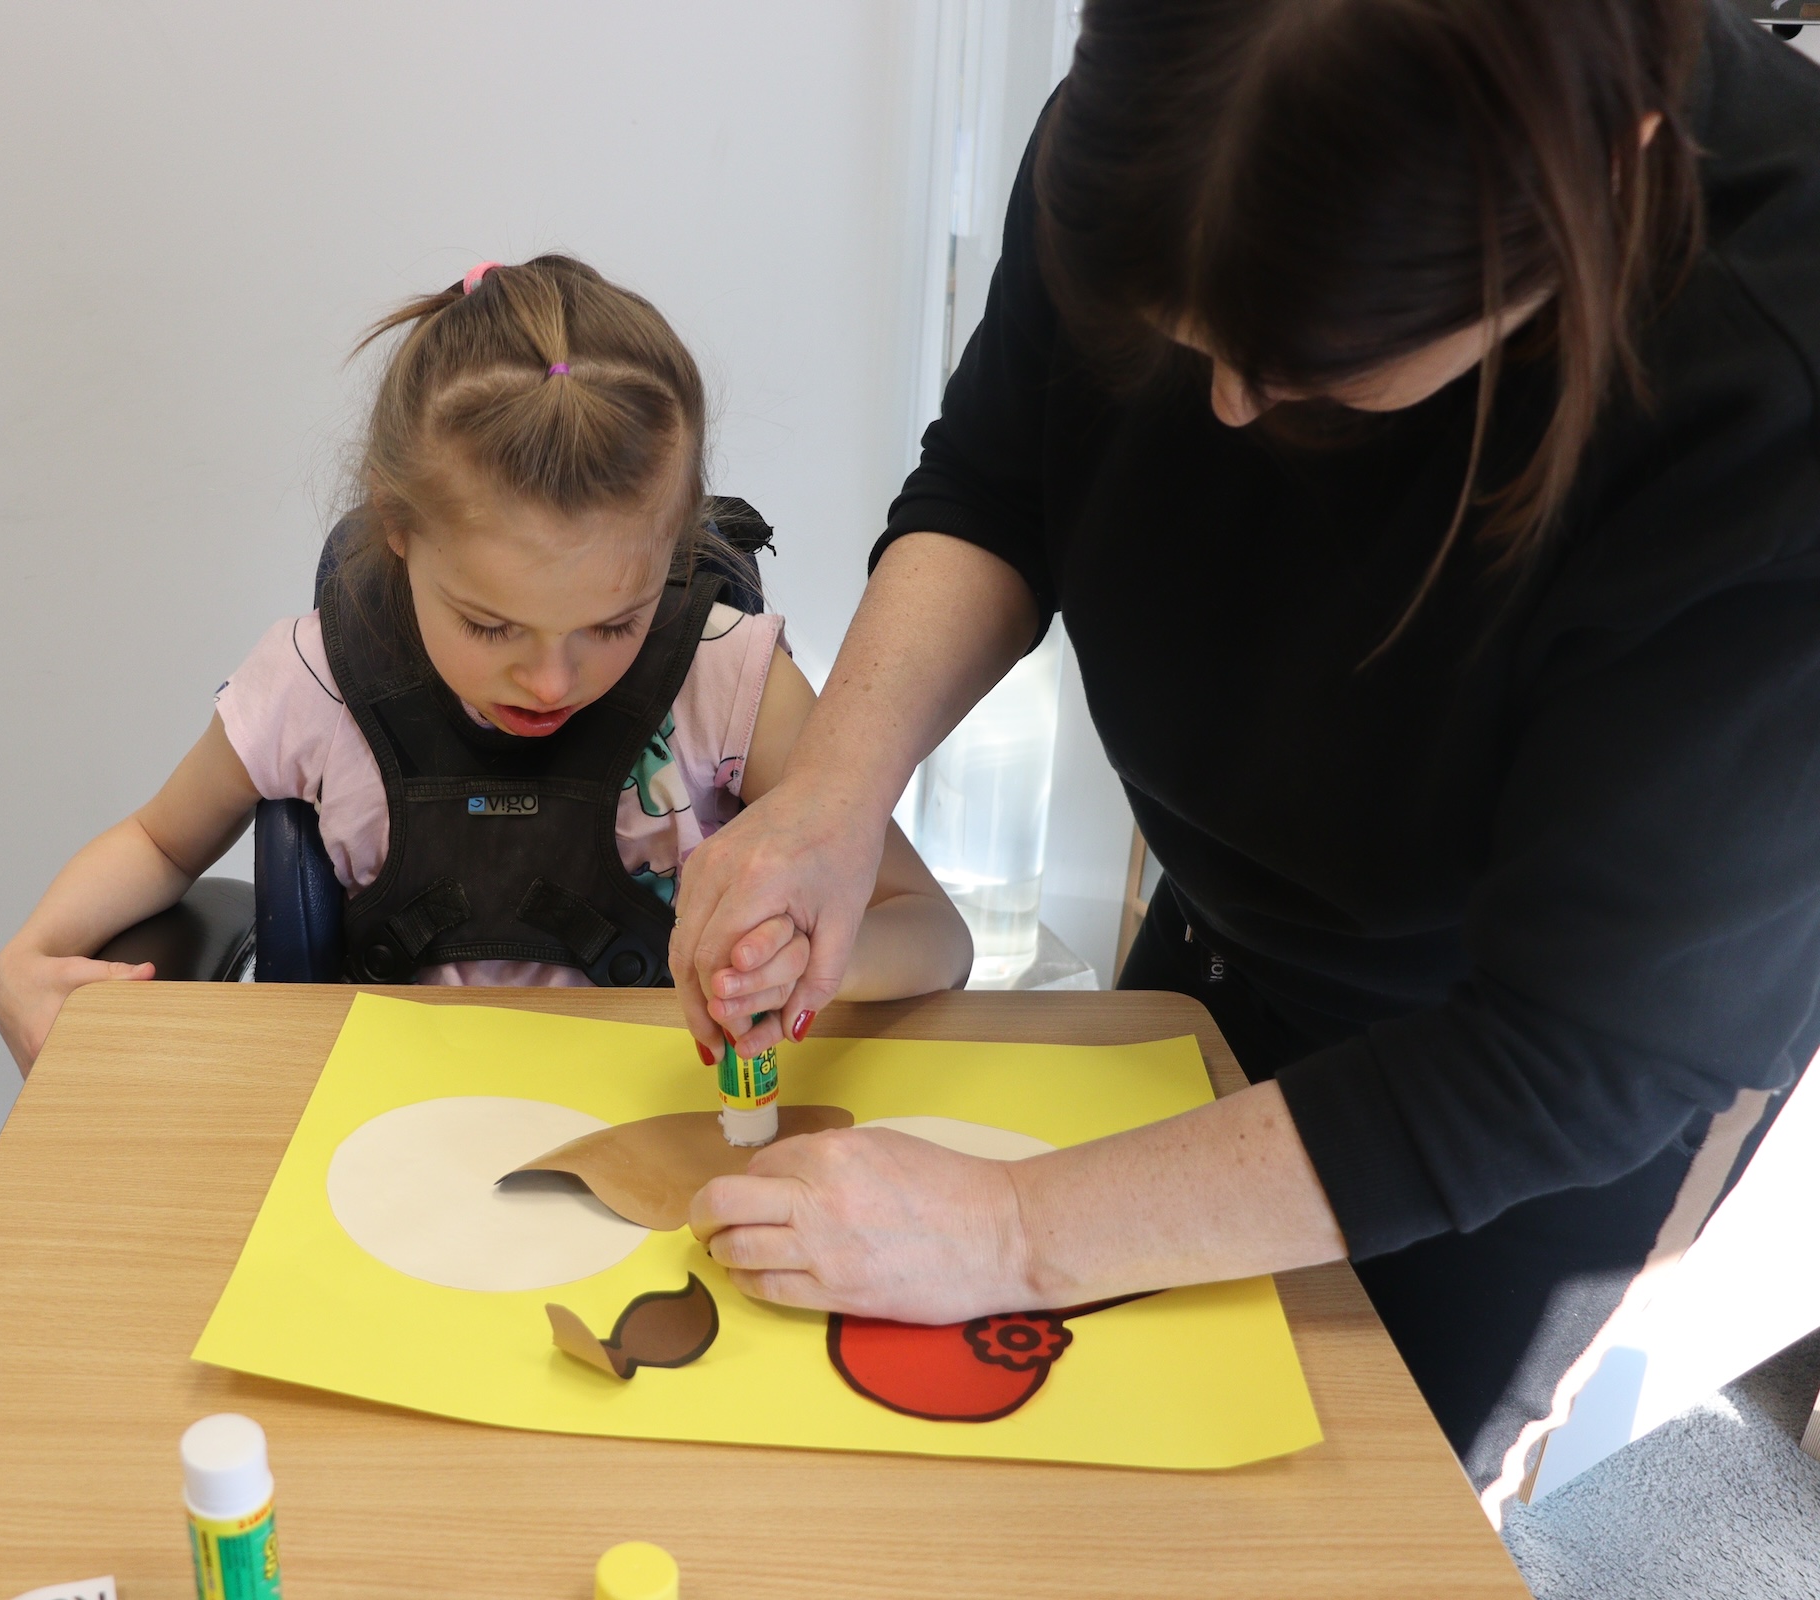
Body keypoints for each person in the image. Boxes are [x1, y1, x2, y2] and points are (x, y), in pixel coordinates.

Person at [672, 0, 1820, 1515]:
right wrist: (831, 793)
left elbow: (1571, 1062)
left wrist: (1015, 1233)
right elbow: (1000, 482)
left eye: (1306, 371)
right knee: (1103, 1450)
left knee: (1335, 1511)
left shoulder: (1773, 387)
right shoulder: (1177, 100)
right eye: (1180, 338)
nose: (1223, 409)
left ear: (1599, 181)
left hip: (1517, 1081)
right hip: (1231, 940)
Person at [0, 255, 971, 1073]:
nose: (551, 681)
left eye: (613, 625)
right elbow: (160, 844)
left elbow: (933, 929)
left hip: (664, 1127)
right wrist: (26, 959)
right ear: (399, 527)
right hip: (390, 1140)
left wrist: (806, 962)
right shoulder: (311, 684)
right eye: (492, 627)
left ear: (673, 550)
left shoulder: (731, 683)